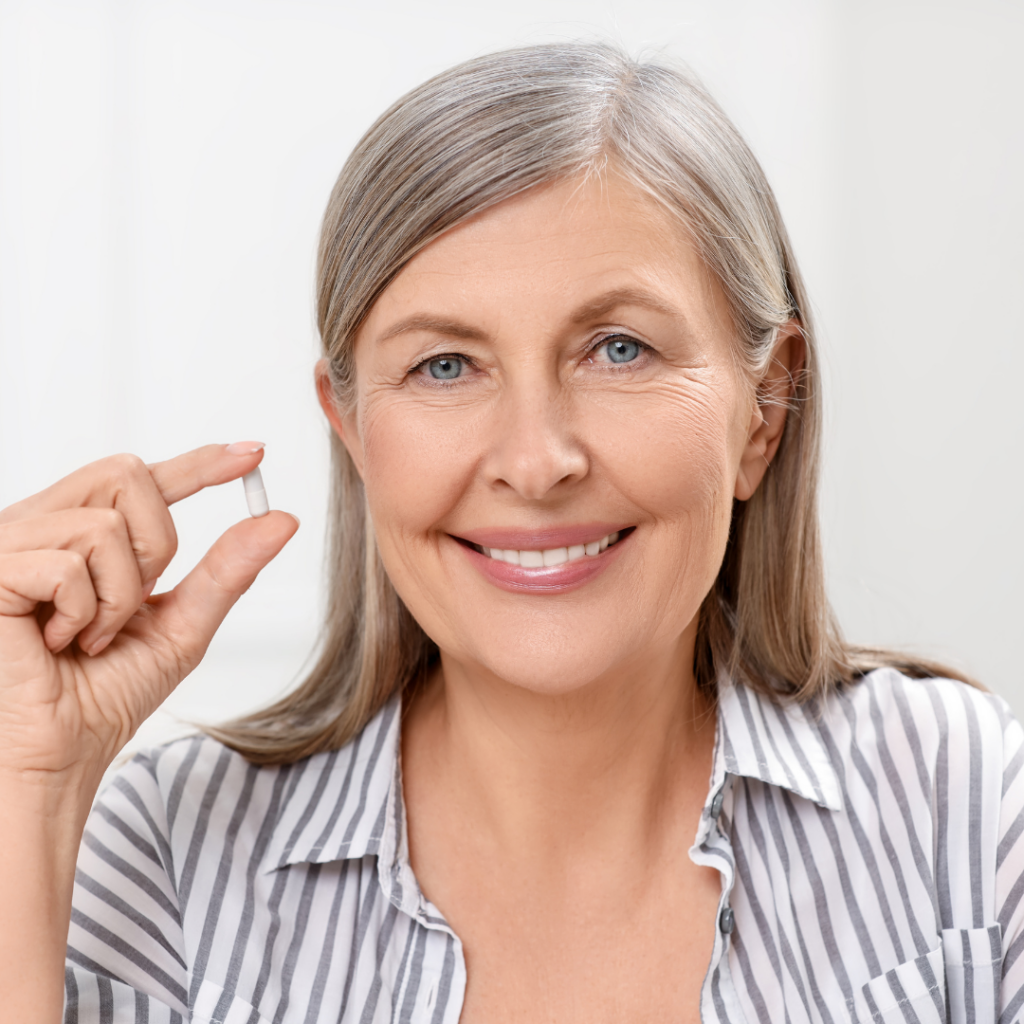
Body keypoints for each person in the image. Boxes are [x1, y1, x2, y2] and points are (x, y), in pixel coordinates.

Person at [1, 42, 1021, 1024]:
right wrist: (25, 784)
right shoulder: (168, 857)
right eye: (446, 365)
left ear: (762, 410)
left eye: (617, 349)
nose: (535, 462)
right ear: (351, 427)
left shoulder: (959, 806)